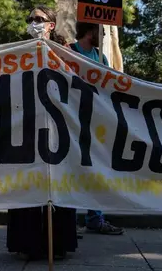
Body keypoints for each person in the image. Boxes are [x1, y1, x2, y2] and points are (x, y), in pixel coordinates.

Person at [7, 5, 76, 260]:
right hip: (26, 125)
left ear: (51, 25)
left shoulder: (64, 52)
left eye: (39, 19)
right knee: (28, 182)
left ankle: (56, 244)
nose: (34, 22)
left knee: (55, 182)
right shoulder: (19, 52)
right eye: (31, 18)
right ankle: (27, 243)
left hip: (56, 127)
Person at [69, 22, 124, 235]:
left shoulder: (101, 57)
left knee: (95, 169)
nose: (102, 35)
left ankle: (95, 217)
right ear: (89, 31)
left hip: (93, 122)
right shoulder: (69, 52)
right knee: (71, 169)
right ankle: (68, 222)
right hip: (71, 120)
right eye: (99, 31)